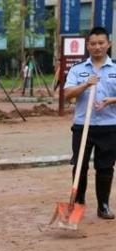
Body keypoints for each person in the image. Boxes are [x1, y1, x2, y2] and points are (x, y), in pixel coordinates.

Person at [64, 26, 116, 219]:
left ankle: (103, 205)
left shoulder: (115, 69)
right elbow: (67, 93)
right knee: (80, 166)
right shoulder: (78, 69)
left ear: (108, 44)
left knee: (105, 167)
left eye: (101, 43)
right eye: (93, 43)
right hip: (82, 126)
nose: (97, 47)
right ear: (87, 46)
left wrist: (111, 100)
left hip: (109, 127)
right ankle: (78, 203)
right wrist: (86, 84)